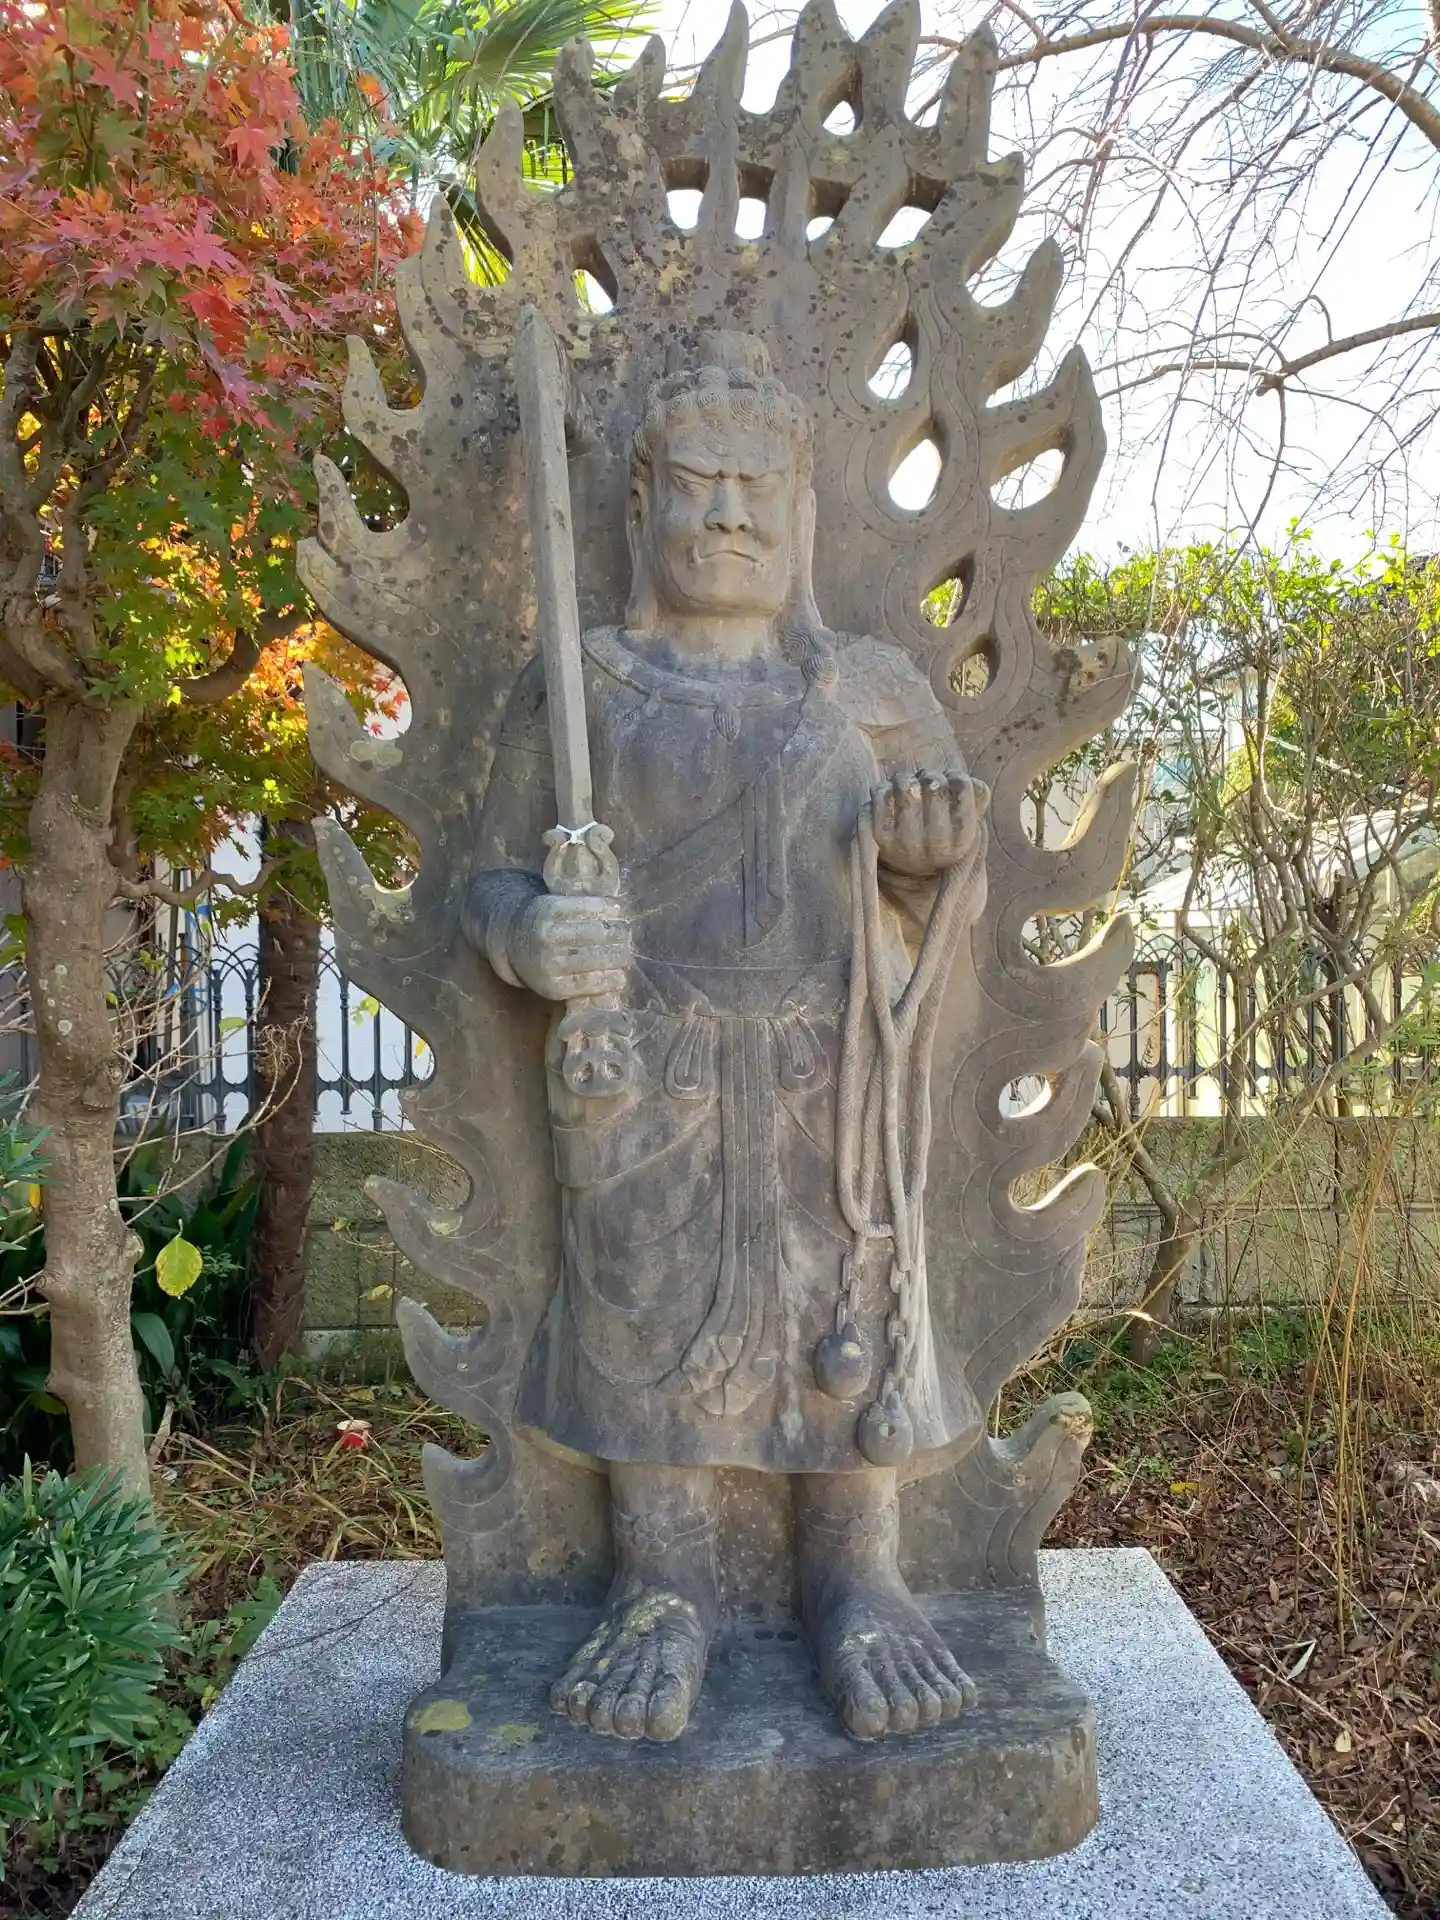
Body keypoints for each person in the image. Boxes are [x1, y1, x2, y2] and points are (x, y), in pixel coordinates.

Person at [464, 333, 989, 1743]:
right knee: (640, 1300)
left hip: (833, 1072)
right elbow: (491, 878)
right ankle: (662, 1583)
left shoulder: (867, 691)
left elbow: (939, 868)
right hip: (649, 1067)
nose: (729, 515)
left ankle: (858, 1575)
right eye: (697, 485)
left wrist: (925, 858)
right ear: (642, 508)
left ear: (803, 512)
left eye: (757, 488)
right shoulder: (584, 687)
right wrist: (534, 934)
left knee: (847, 1302)